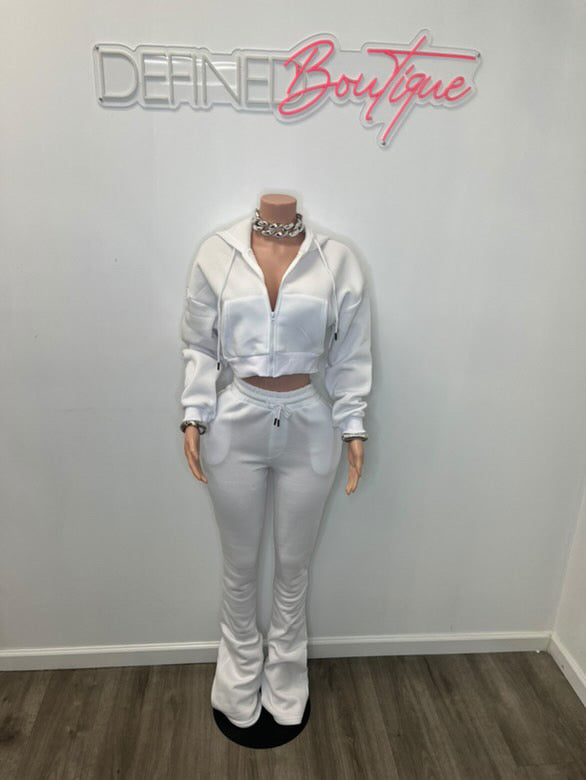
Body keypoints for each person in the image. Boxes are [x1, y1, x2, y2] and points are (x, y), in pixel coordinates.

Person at [180, 195, 372, 732]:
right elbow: (199, 344)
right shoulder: (217, 253)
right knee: (239, 568)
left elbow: (352, 352)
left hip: (309, 424)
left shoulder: (336, 260)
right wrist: (194, 413)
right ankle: (237, 678)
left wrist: (353, 424)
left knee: (294, 567)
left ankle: (287, 678)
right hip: (235, 421)